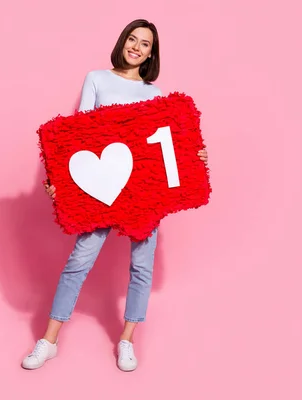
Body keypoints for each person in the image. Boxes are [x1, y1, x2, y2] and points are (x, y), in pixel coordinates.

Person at [22, 19, 208, 372]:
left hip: (144, 195)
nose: (137, 47)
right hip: (103, 188)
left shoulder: (156, 94)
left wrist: (193, 156)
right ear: (123, 42)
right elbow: (77, 136)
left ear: (152, 53)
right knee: (79, 261)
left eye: (145, 44)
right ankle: (48, 341)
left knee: (141, 266)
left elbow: (168, 145)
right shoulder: (97, 79)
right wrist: (58, 180)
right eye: (133, 39)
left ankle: (127, 341)